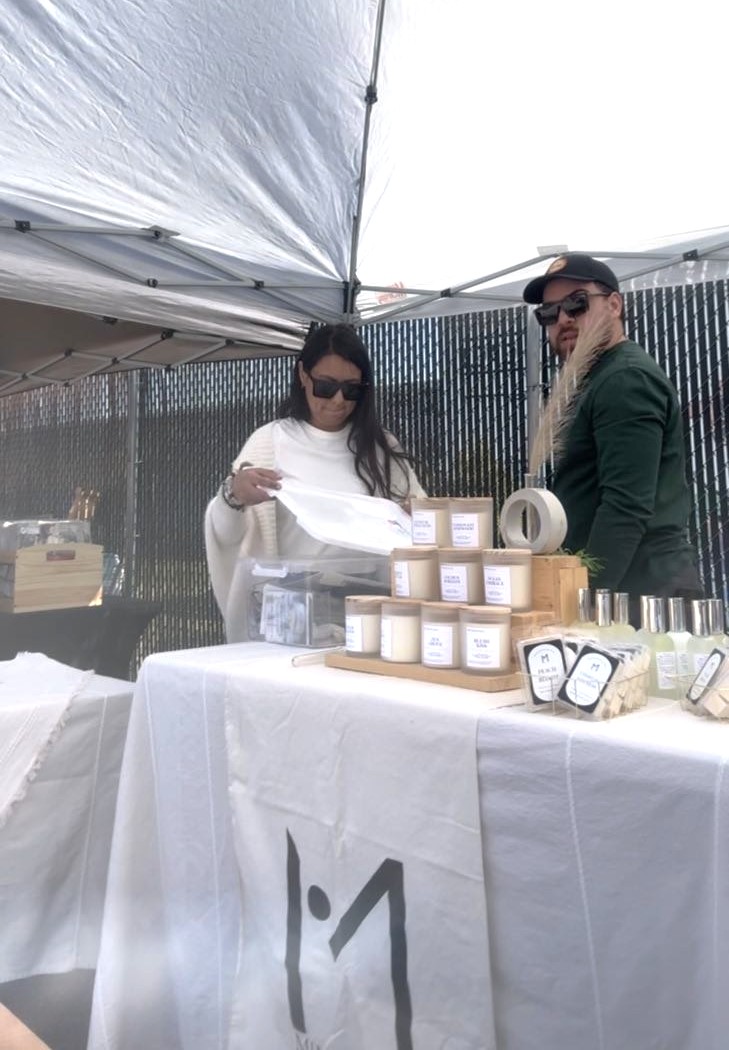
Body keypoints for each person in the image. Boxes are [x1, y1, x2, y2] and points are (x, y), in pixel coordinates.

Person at [205, 323, 425, 639]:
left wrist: (416, 516)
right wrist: (233, 495)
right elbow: (227, 537)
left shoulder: (381, 448)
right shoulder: (270, 442)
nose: (338, 400)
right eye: (326, 386)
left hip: (372, 616)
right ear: (303, 376)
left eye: (351, 389)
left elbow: (425, 524)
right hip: (291, 615)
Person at [523, 252, 703, 620]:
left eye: (577, 303)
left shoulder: (625, 380)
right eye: (548, 313)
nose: (564, 319)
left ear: (615, 305)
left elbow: (625, 507)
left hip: (640, 598)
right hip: (628, 593)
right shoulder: (600, 377)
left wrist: (584, 606)